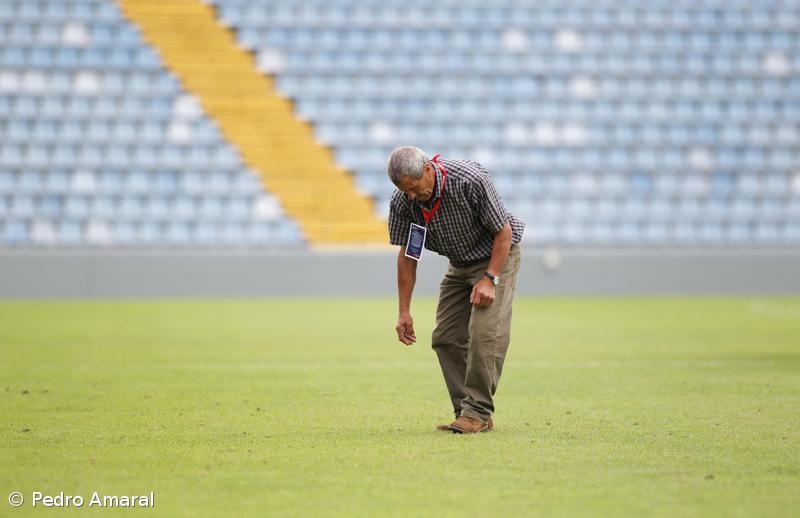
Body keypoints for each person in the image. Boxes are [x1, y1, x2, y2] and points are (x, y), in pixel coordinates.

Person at [387, 146, 525, 433]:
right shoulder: (404, 202)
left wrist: (490, 279)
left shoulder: (469, 180)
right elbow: (409, 255)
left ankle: (476, 413)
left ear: (428, 170)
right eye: (405, 191)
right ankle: (469, 410)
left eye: (413, 188)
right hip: (460, 263)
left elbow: (504, 232)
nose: (411, 196)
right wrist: (404, 311)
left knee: (484, 334)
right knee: (446, 337)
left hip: (496, 257)